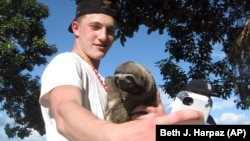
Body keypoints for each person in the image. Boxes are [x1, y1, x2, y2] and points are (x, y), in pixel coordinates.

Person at [39, 0, 203, 140]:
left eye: (110, 30)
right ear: (76, 28)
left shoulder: (107, 83)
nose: (103, 36)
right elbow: (64, 111)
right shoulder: (66, 62)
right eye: (95, 27)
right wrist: (119, 135)